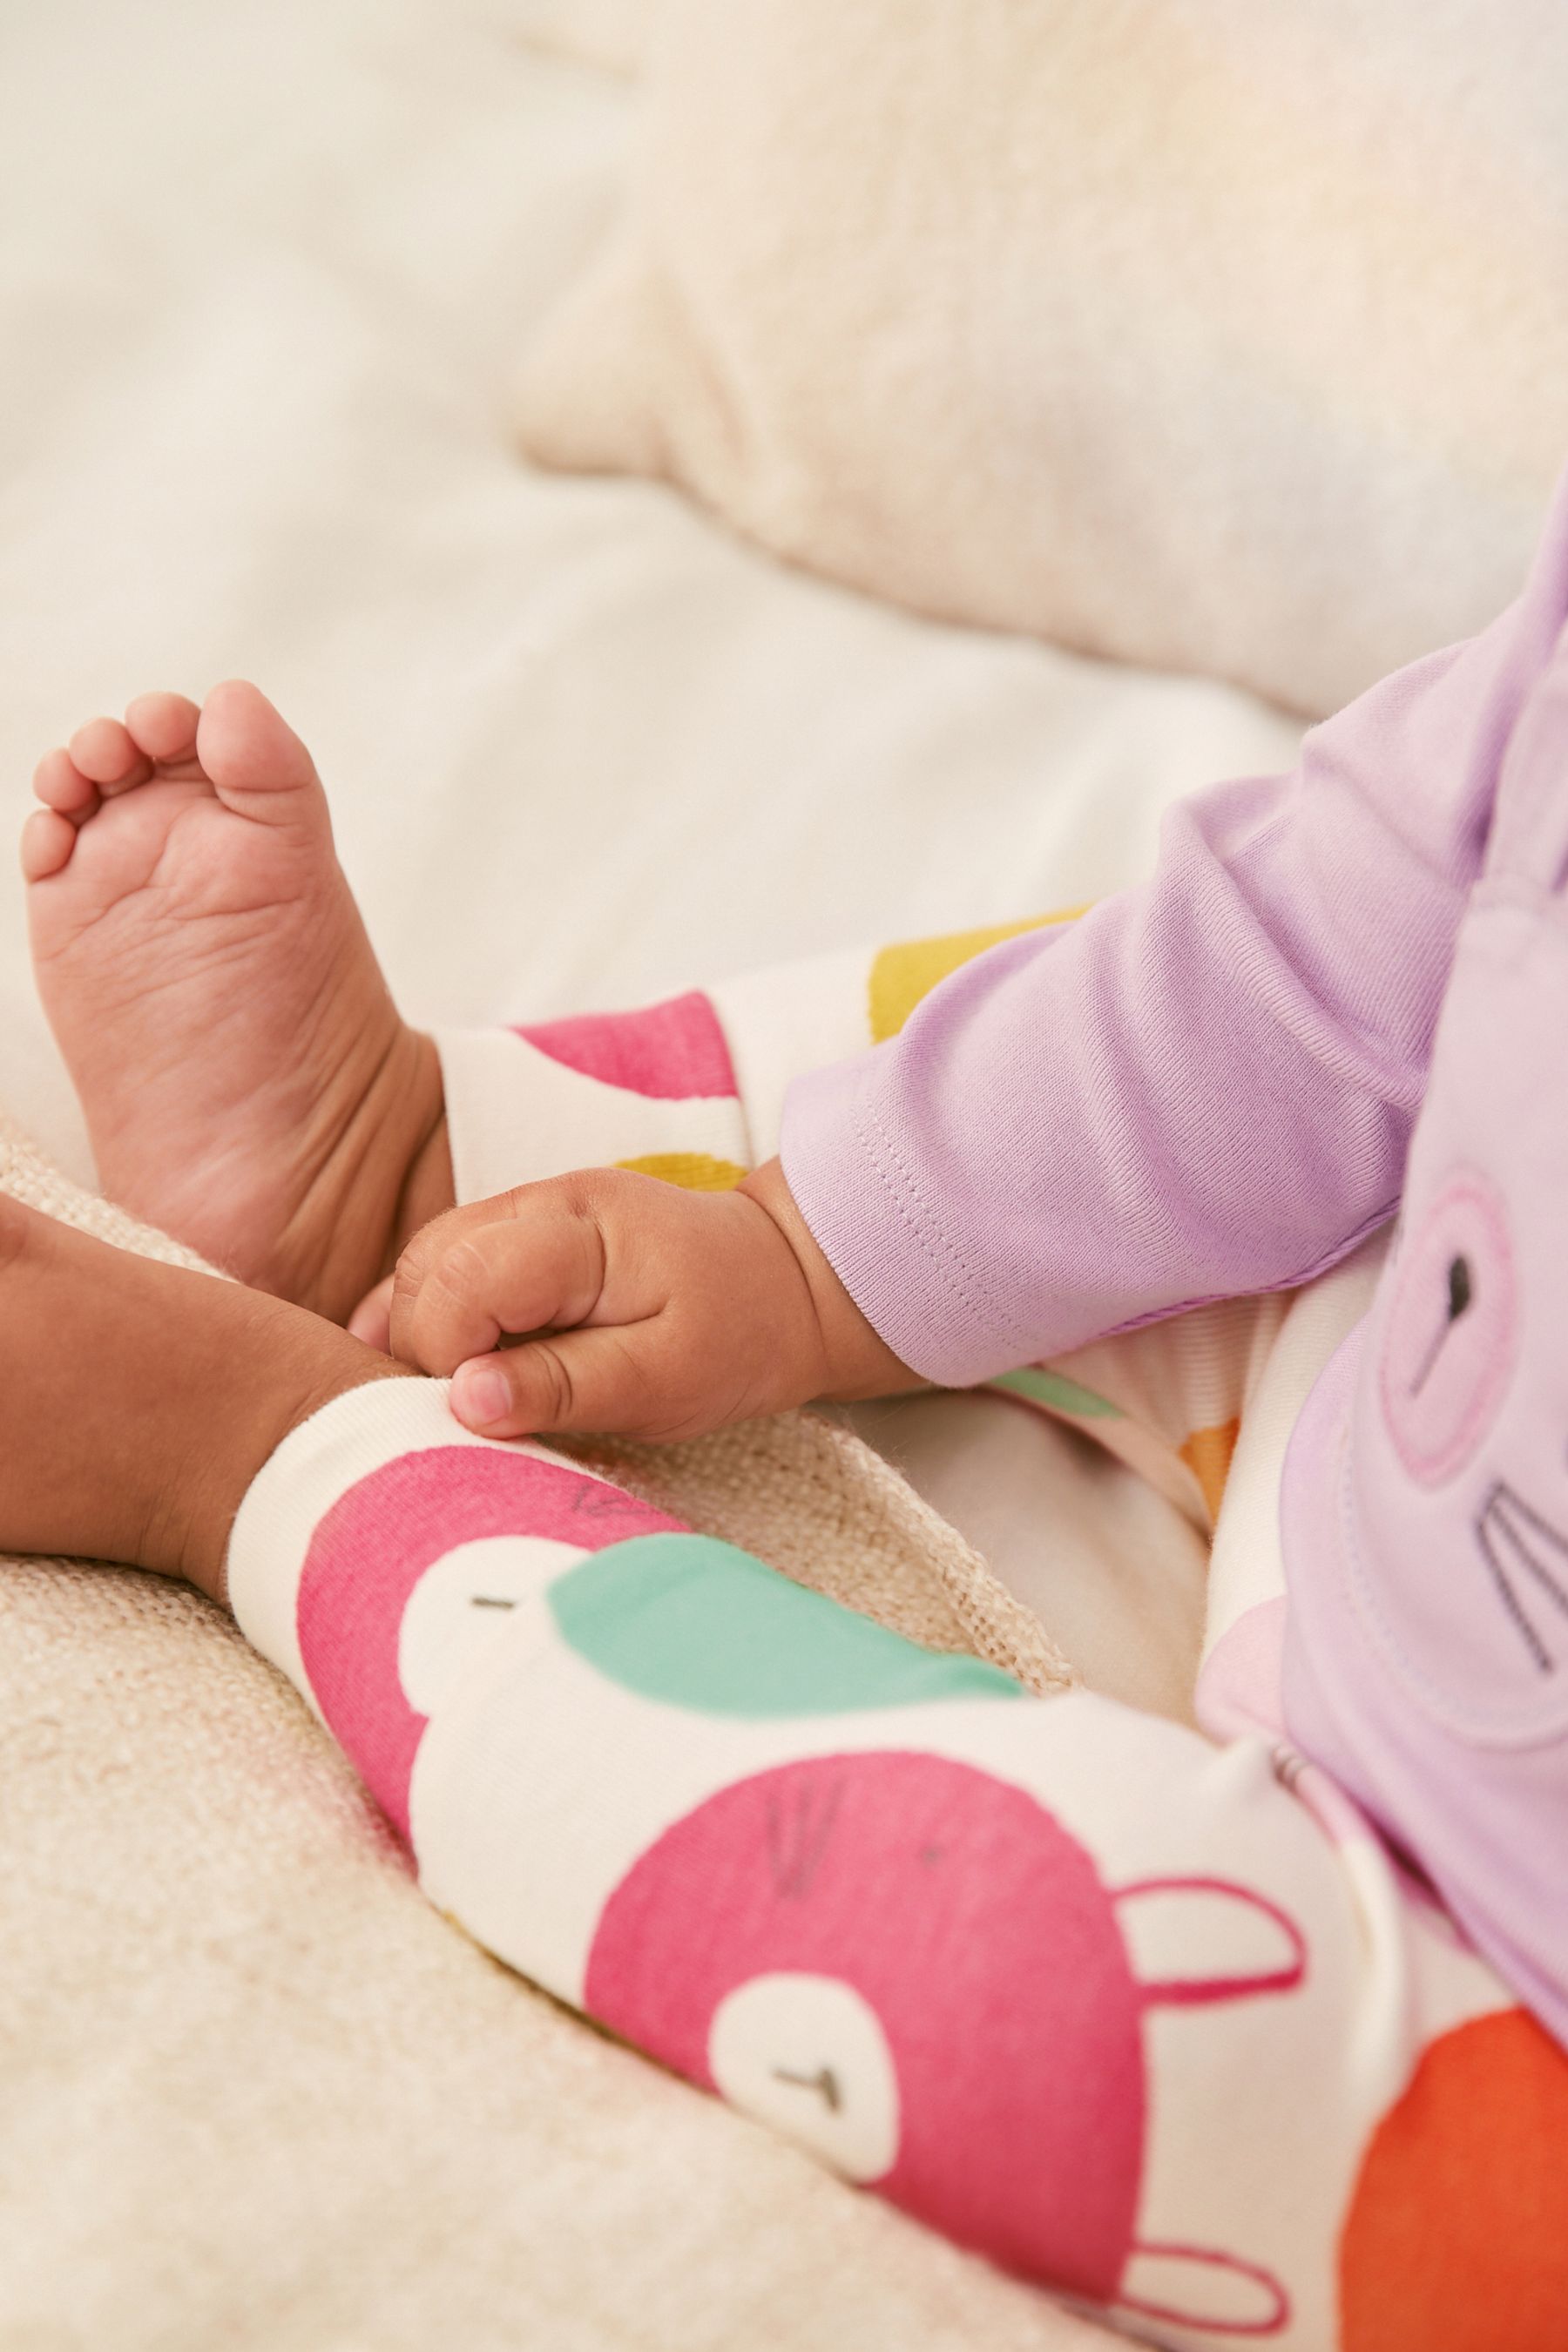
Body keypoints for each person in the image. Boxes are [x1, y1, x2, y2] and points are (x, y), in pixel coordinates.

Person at [11, 474, 1568, 2343]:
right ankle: (448, 1168)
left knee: (1070, 2005)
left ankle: (268, 1455)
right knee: (1164, 1046)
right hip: (1413, 1333)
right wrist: (804, 1256)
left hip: (1475, 1997)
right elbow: (1315, 958)